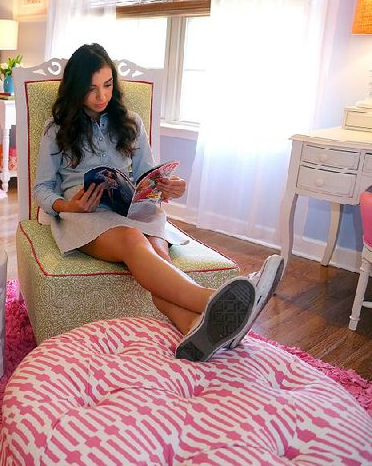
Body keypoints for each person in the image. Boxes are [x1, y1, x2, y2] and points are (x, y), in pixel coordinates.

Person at [34, 43, 283, 362]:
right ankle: (214, 302)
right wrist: (67, 207)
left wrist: (166, 188)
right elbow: (42, 188)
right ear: (76, 88)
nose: (102, 96)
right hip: (85, 217)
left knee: (158, 262)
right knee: (133, 241)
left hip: (133, 210)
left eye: (108, 85)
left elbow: (144, 176)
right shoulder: (56, 130)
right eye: (92, 88)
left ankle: (195, 331)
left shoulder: (130, 123)